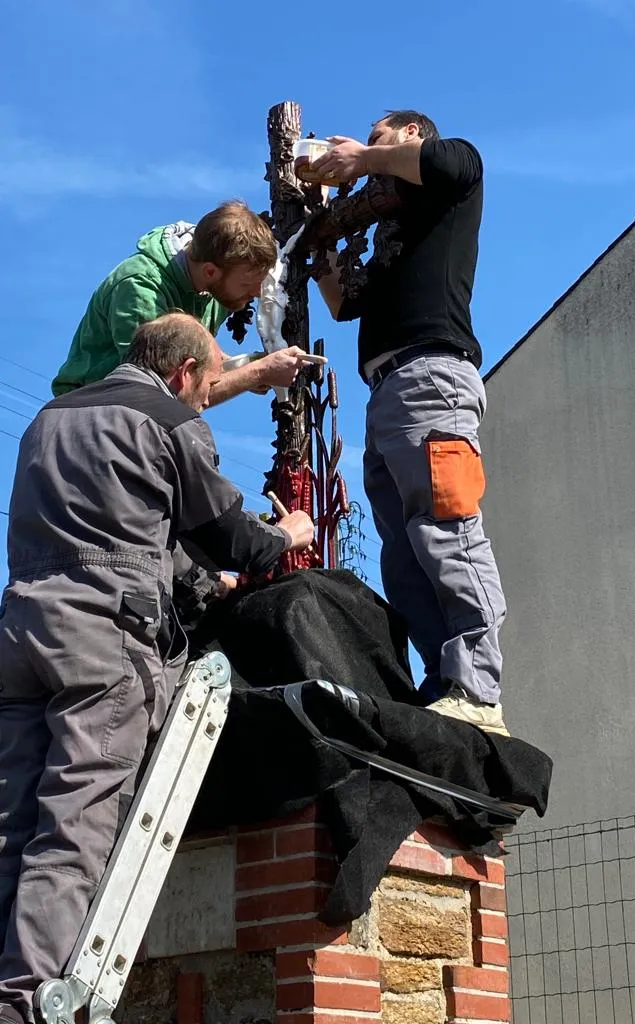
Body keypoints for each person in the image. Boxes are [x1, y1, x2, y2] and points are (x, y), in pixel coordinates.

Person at [0, 313, 315, 1024]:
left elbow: (135, 532)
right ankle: (23, 1008)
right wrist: (285, 534)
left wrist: (204, 586)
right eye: (205, 388)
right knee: (73, 833)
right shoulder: (168, 421)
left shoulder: (48, 420)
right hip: (102, 644)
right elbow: (227, 535)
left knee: (9, 822)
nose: (204, 401)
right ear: (181, 374)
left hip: (21, 635)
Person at [307, 110, 509, 737]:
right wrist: (318, 239)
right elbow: (345, 305)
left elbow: (453, 162)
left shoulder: (452, 169)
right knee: (403, 551)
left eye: (379, 139)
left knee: (446, 526)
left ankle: (478, 684)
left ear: (414, 136)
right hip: (389, 390)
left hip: (433, 379)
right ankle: (443, 683)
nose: (368, 149)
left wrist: (359, 162)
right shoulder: (394, 227)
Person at [51, 199, 309, 404]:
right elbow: (168, 391)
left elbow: (196, 363)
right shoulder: (139, 289)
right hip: (88, 413)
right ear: (210, 271)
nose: (257, 293)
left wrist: (241, 367)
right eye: (247, 284)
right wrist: (259, 372)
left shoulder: (213, 283)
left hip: (136, 417)